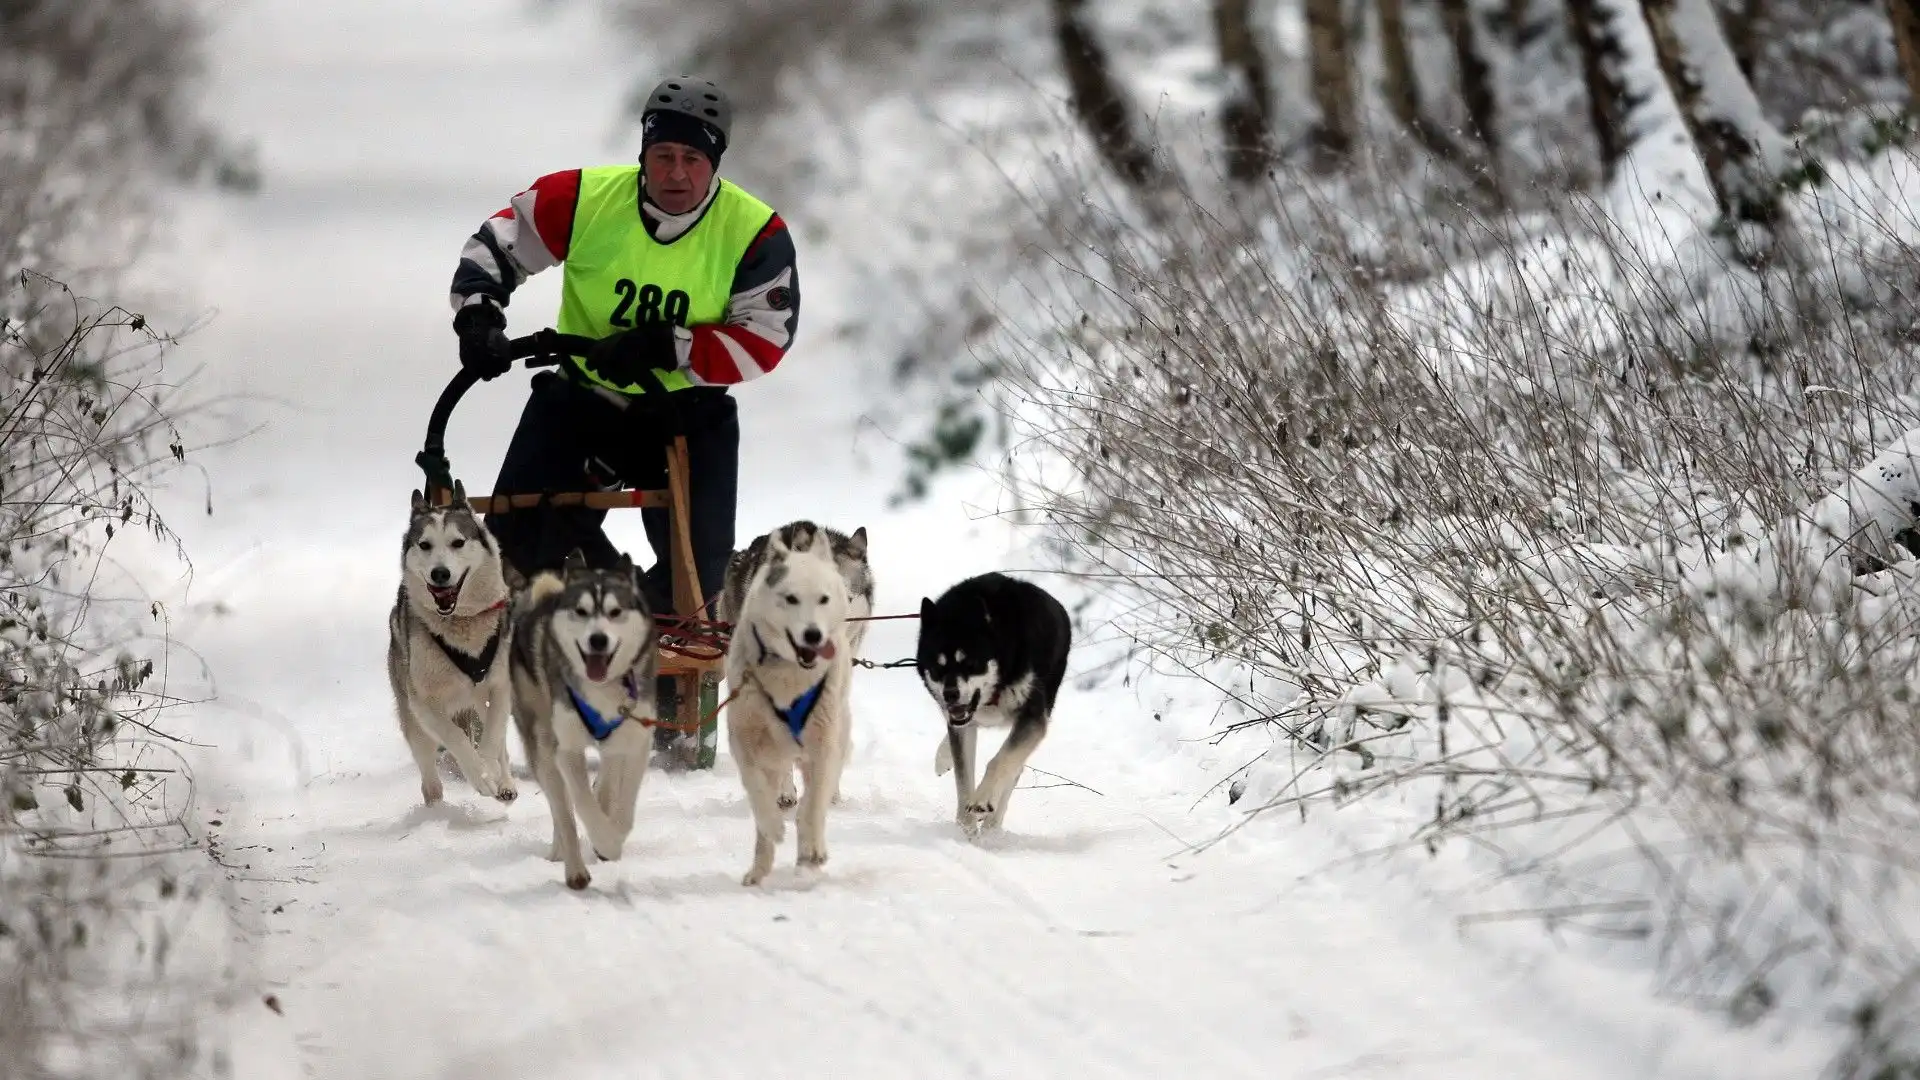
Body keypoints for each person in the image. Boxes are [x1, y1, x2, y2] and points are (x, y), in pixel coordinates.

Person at [446, 75, 799, 618]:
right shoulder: (583, 198)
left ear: (716, 162)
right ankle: (531, 639)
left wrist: (672, 346)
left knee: (698, 582)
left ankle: (657, 649)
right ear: (643, 153)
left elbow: (765, 339)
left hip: (686, 413)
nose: (676, 173)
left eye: (692, 157)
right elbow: (497, 245)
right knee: (508, 555)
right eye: (662, 156)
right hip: (583, 399)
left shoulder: (755, 232)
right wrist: (478, 316)